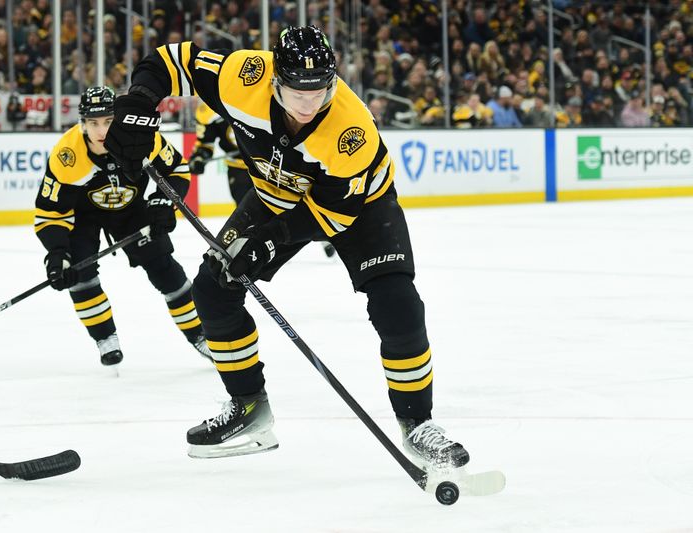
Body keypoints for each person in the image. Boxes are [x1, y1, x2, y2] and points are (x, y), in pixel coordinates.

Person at [104, 26, 469, 470]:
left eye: (319, 91)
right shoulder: (245, 76)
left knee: (398, 303)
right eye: (297, 91)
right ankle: (249, 408)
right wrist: (140, 102)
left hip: (362, 205)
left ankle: (417, 422)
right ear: (276, 79)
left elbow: (335, 214)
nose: (308, 103)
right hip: (273, 196)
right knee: (213, 289)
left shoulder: (350, 130)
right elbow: (172, 60)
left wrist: (268, 242)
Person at [34, 86, 211, 368]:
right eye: (93, 123)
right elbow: (50, 212)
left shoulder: (141, 137)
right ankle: (105, 338)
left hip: (131, 210)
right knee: (80, 274)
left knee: (164, 268)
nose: (101, 130)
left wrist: (163, 202)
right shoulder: (67, 155)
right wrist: (57, 252)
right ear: (82, 123)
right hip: (84, 217)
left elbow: (176, 169)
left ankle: (200, 334)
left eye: (107, 121)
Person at [190, 100, 336, 257]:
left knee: (293, 202)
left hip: (267, 165)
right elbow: (205, 142)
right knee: (248, 212)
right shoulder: (208, 109)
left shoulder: (255, 98)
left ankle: (319, 235)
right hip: (238, 169)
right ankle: (254, 249)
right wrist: (200, 156)